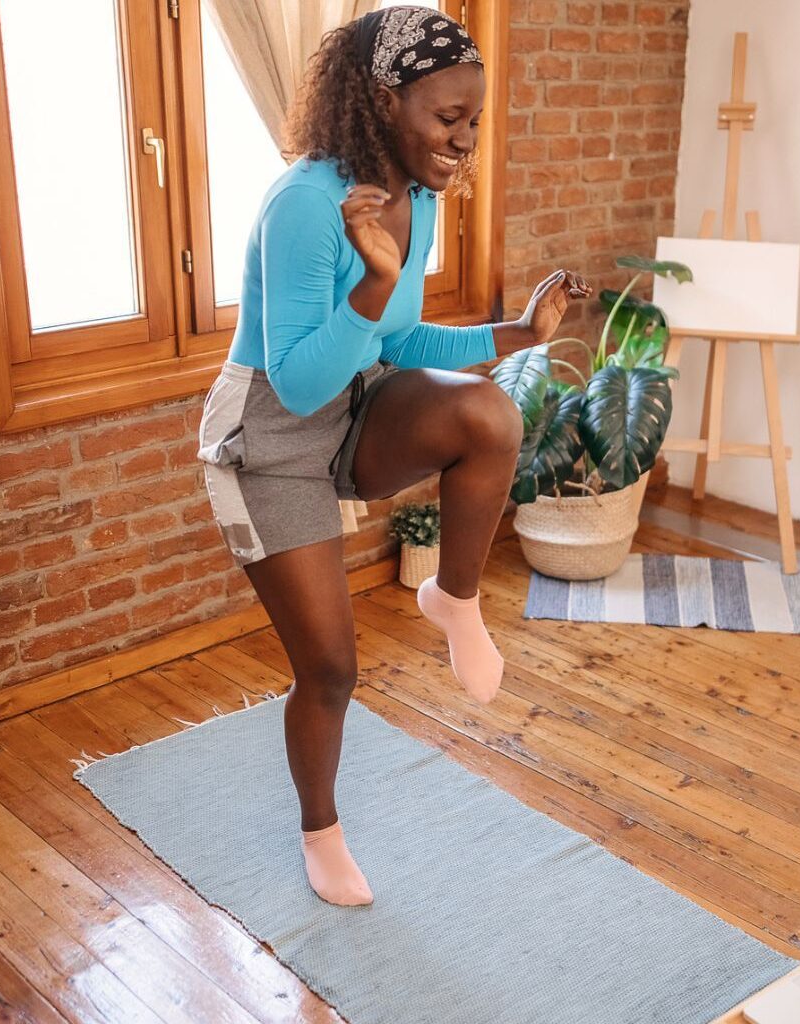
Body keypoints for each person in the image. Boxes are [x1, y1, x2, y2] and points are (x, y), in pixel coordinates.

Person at [195, 5, 591, 907]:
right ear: (383, 101)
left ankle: (453, 598)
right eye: (447, 119)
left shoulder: (412, 199)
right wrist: (371, 282)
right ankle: (320, 832)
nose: (464, 140)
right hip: (269, 438)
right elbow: (296, 384)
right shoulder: (307, 203)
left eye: (474, 120)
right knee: (331, 666)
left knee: (488, 415)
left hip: (355, 402)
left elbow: (402, 342)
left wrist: (517, 332)